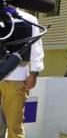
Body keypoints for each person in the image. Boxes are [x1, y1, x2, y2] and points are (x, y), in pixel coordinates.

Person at [0, 8, 43, 138]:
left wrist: (34, 72)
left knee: (14, 127)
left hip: (16, 77)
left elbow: (36, 47)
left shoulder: (28, 19)